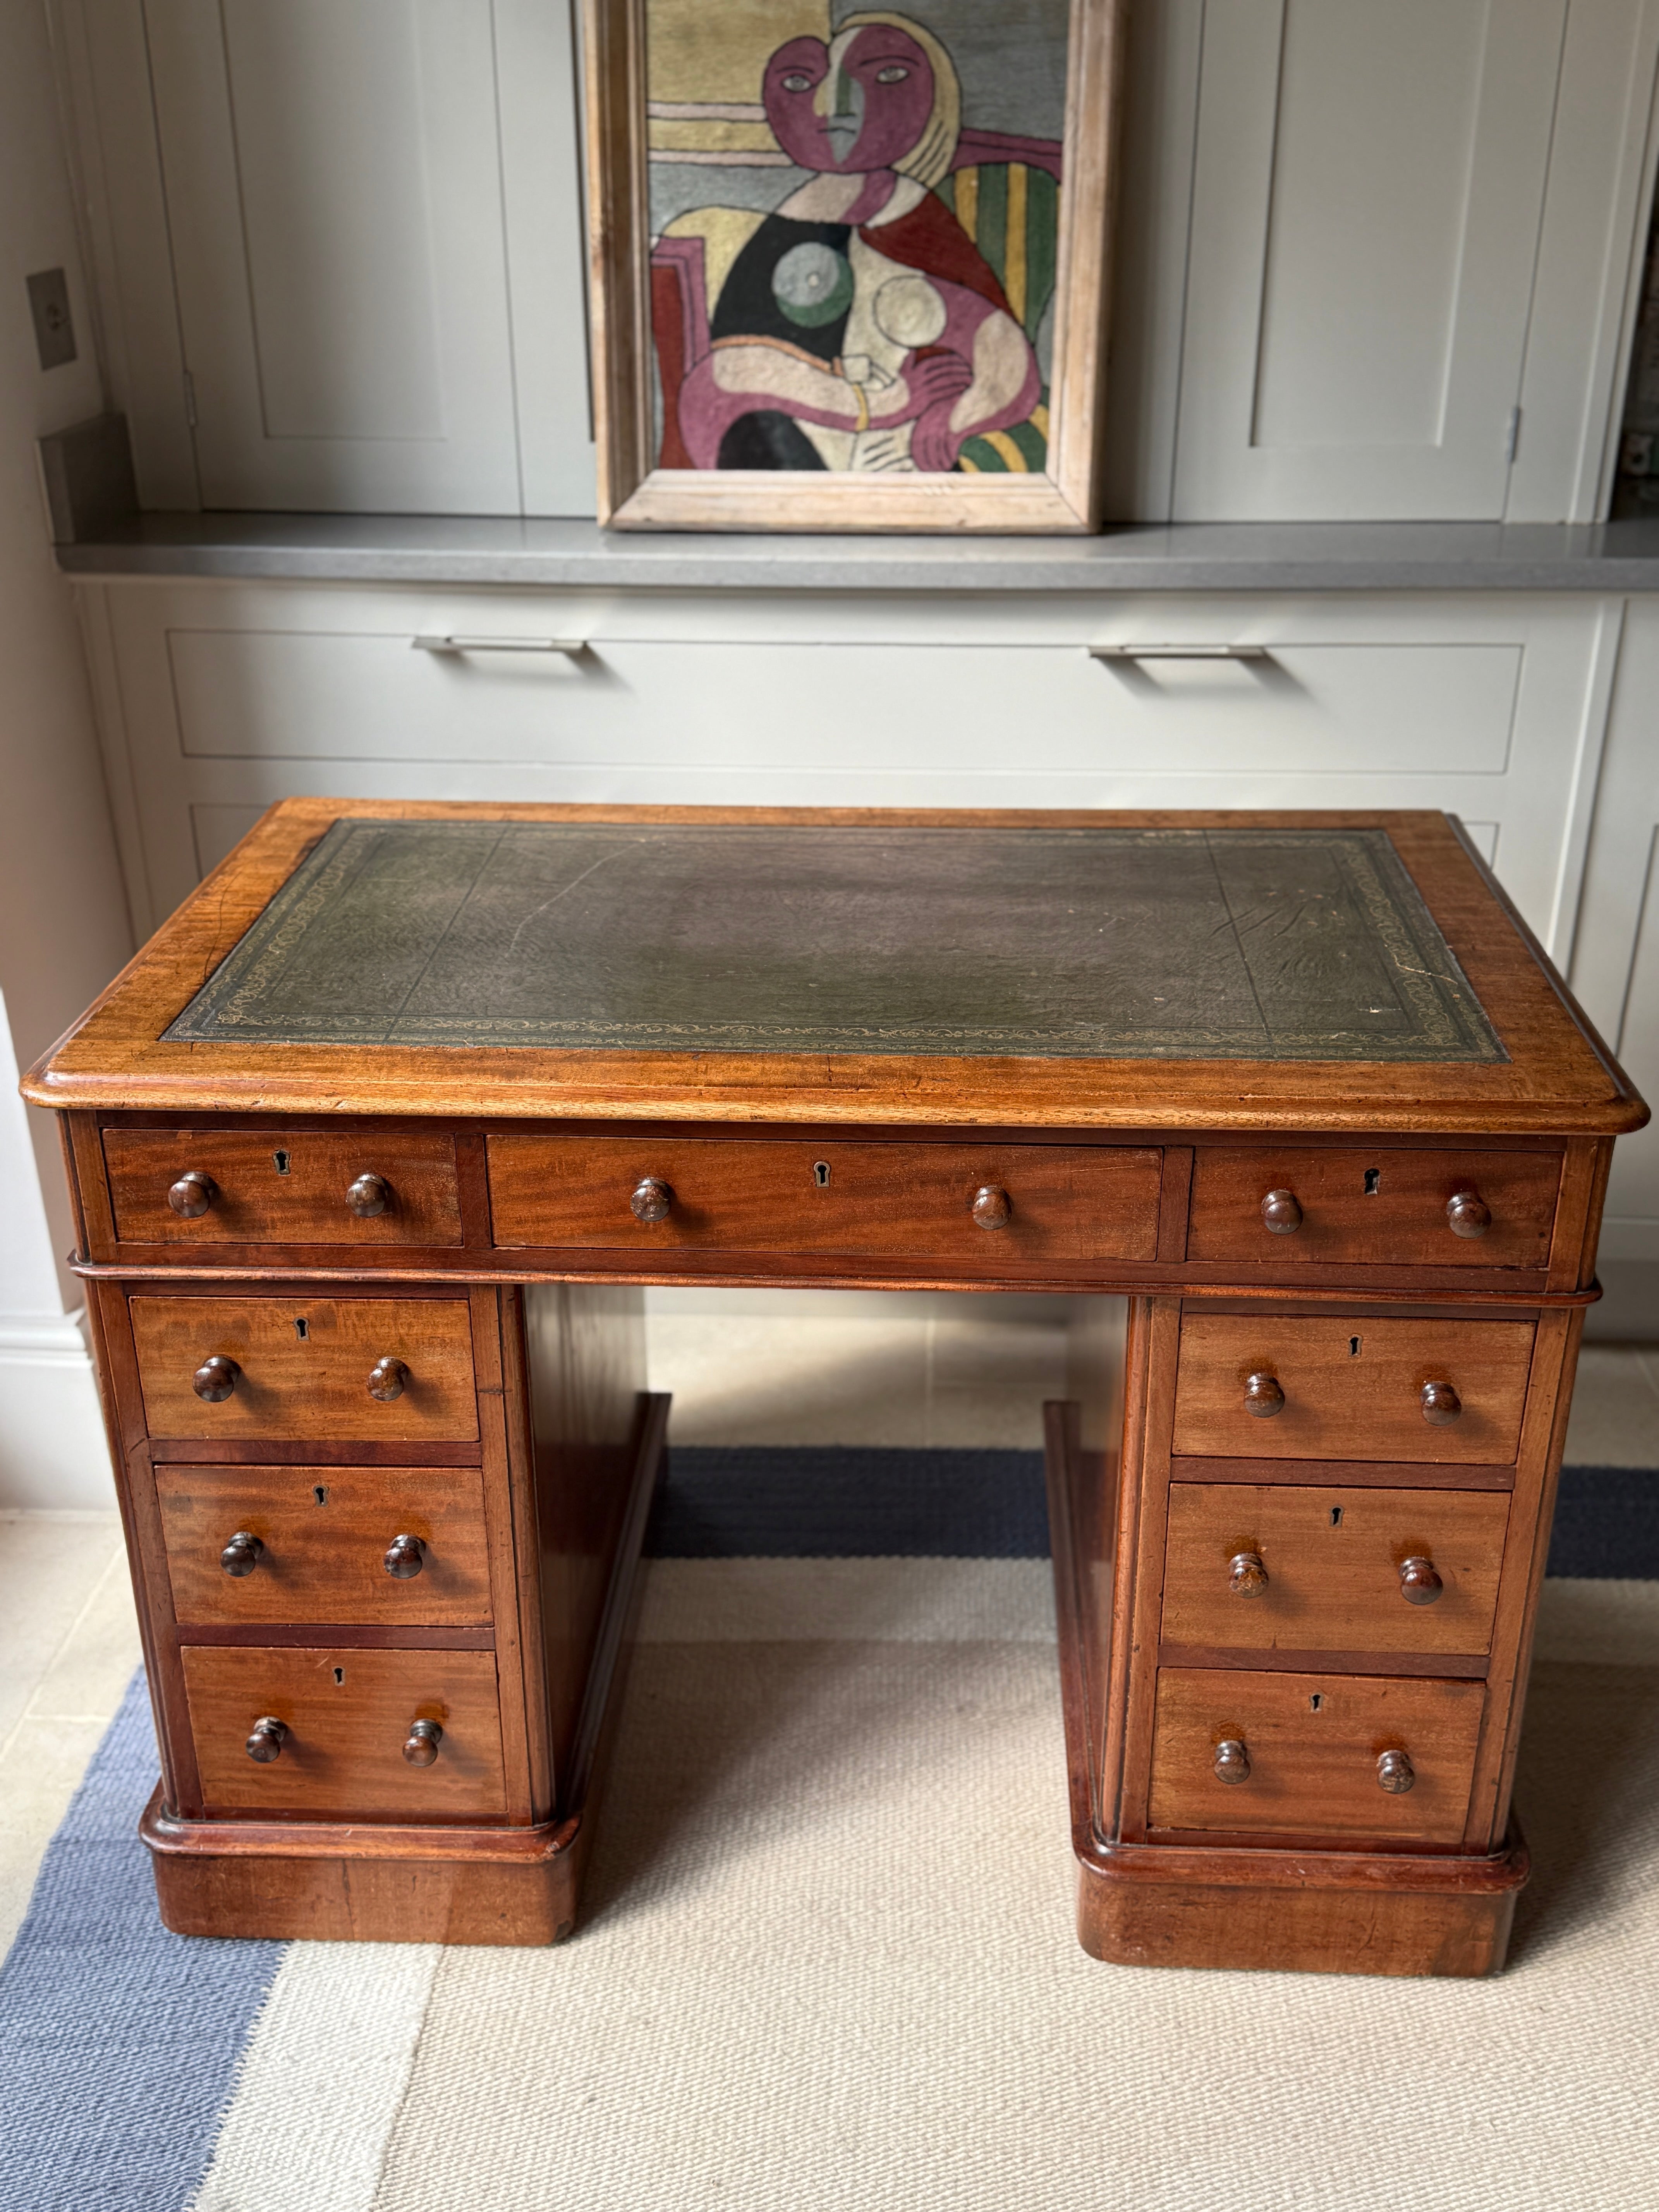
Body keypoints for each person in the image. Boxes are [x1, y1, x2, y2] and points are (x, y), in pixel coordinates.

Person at [674, 12, 1041, 473]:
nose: (833, 108)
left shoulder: (914, 216)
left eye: (886, 76)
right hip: (795, 440)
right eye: (799, 83)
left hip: (899, 453)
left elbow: (1004, 355)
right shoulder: (792, 221)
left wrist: (953, 421)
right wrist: (879, 404)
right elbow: (728, 374)